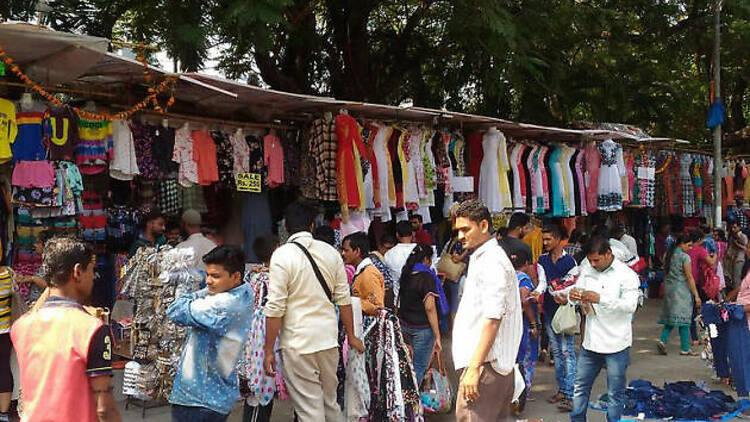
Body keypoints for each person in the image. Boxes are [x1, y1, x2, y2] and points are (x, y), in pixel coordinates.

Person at [263, 200, 364, 421]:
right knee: (330, 404)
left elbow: (275, 308)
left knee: (310, 411)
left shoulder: (282, 255)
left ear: (286, 228)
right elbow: (343, 300)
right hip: (328, 341)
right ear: (311, 226)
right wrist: (351, 335)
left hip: (297, 344)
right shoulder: (331, 253)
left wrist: (268, 349)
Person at [12, 237, 121, 422]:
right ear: (78, 271)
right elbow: (104, 407)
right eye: (91, 271)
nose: (93, 279)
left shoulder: (21, 327)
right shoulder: (92, 329)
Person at [452, 200, 522, 421]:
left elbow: (493, 319)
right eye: (458, 231)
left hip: (486, 367)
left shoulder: (492, 261)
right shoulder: (484, 257)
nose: (461, 236)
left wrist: (474, 368)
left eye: (466, 229)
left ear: (483, 226)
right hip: (489, 366)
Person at [167, 246, 254, 421]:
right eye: (207, 275)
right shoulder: (246, 292)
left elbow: (174, 310)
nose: (208, 281)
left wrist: (202, 294)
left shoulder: (222, 304)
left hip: (199, 399)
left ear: (236, 276)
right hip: (217, 394)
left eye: (215, 276)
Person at [567, 237, 640, 422]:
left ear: (608, 254)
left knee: (615, 393)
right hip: (591, 343)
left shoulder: (627, 275)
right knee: (579, 389)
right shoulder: (587, 270)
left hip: (617, 344)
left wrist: (600, 299)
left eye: (596, 260)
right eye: (590, 260)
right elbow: (578, 290)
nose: (593, 264)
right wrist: (573, 296)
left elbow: (630, 306)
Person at [537, 223, 578, 412]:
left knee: (567, 352)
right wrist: (535, 293)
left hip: (564, 312)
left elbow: (574, 286)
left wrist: (564, 295)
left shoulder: (570, 262)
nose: (545, 242)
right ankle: (563, 390)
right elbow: (542, 284)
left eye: (548, 239)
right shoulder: (542, 260)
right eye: (543, 239)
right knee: (559, 354)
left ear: (559, 239)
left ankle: (570, 393)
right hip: (549, 312)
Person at [242, 236, 278, 422]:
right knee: (263, 384)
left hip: (251, 334)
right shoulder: (274, 278)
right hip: (265, 335)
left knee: (257, 383)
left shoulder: (251, 275)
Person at [397, 243, 442, 384]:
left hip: (404, 325)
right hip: (422, 329)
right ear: (426, 259)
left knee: (405, 365)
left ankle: (402, 395)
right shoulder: (426, 277)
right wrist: (437, 335)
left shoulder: (406, 273)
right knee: (418, 367)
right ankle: (410, 400)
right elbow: (430, 308)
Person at [657, 234, 701, 356]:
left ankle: (663, 340)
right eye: (689, 245)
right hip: (681, 291)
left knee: (672, 318)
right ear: (681, 244)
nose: (690, 248)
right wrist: (696, 295)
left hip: (669, 289)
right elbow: (689, 277)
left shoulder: (668, 255)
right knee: (684, 319)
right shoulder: (684, 257)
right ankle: (685, 348)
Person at [512, 247, 540, 401]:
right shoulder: (523, 279)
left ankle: (513, 391)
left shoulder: (509, 276)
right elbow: (524, 300)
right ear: (527, 263)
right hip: (524, 324)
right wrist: (534, 323)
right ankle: (523, 392)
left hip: (510, 324)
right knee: (526, 358)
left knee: (514, 358)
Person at [341, 231, 385, 315]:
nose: (343, 253)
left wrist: (352, 301)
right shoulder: (362, 271)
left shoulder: (368, 274)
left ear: (357, 251)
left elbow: (377, 308)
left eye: (346, 250)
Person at [384, 221, 418, 300]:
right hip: (420, 300)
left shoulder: (389, 254)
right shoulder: (421, 251)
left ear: (397, 235)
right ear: (412, 234)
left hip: (400, 301)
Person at [726, 221, 747, 289]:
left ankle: (737, 294)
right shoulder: (732, 236)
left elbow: (745, 248)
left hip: (739, 259)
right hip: (732, 259)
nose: (733, 229)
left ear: (739, 227)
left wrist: (737, 244)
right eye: (732, 228)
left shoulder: (743, 236)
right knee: (732, 277)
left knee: (736, 277)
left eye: (734, 227)